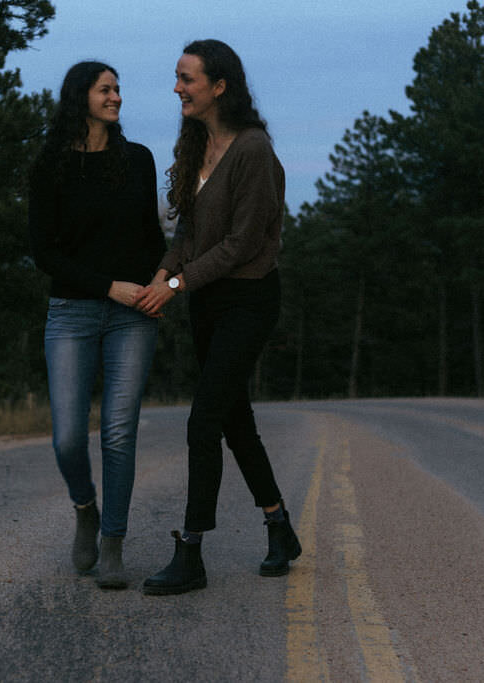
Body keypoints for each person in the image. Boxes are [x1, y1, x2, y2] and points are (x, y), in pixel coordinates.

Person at [134, 39, 301, 595]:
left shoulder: (253, 150)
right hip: (207, 300)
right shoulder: (196, 141)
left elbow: (241, 242)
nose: (177, 87)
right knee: (234, 421)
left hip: (248, 299)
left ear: (219, 86)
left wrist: (177, 285)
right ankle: (280, 528)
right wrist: (164, 275)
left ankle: (192, 553)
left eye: (187, 79)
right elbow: (186, 230)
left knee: (202, 421)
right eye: (177, 78)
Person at [28, 61, 166, 590]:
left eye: (118, 90)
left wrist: (161, 282)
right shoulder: (51, 166)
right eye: (106, 90)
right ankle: (85, 506)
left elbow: (150, 239)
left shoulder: (138, 160)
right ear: (80, 97)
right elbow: (44, 252)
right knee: (67, 439)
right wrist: (109, 286)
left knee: (118, 432)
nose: (116, 97)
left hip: (135, 316)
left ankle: (113, 543)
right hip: (72, 312)